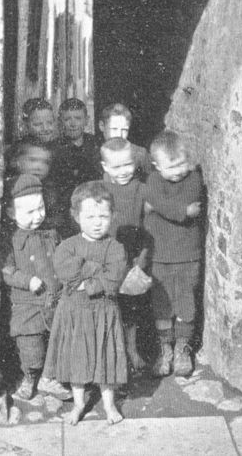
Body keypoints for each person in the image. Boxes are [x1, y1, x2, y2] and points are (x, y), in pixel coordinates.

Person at [42, 180, 127, 425]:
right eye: (90, 216)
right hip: (75, 313)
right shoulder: (67, 246)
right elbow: (65, 272)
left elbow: (112, 278)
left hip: (103, 312)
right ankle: (79, 403)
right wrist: (95, 270)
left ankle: (109, 403)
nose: (97, 222)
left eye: (103, 216)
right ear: (76, 217)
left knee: (105, 357)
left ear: (113, 216)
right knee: (77, 357)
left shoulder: (116, 248)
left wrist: (86, 279)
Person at [0, 172, 71, 401]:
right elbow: (7, 270)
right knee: (31, 347)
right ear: (12, 213)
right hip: (28, 305)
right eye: (29, 212)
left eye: (40, 208)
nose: (37, 216)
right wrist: (26, 280)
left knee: (55, 342)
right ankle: (30, 376)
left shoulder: (51, 233)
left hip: (53, 298)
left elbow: (61, 258)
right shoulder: (11, 240)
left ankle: (50, 379)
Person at [144, 130, 204, 378]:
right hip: (160, 256)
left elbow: (191, 204)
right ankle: (164, 349)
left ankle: (183, 348)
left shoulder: (192, 179)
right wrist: (179, 209)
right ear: (156, 166)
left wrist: (157, 207)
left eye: (182, 163)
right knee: (162, 305)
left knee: (185, 303)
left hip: (187, 254)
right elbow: (154, 199)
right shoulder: (153, 182)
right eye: (172, 166)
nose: (179, 170)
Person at [100, 137, 150, 371]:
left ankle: (132, 349)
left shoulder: (141, 189)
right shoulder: (101, 190)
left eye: (128, 165)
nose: (123, 171)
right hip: (107, 262)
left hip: (132, 259)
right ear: (105, 167)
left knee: (131, 309)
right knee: (108, 308)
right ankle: (112, 354)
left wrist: (140, 262)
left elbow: (149, 228)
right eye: (116, 167)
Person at [8, 136, 73, 238]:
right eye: (32, 160)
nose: (39, 167)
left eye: (45, 162)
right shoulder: (11, 188)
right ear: (15, 161)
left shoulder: (50, 191)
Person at [52, 98, 98, 221]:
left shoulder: (95, 144)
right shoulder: (54, 148)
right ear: (60, 122)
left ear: (87, 120)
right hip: (64, 209)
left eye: (78, 118)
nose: (73, 124)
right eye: (67, 119)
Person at [98, 102, 152, 180]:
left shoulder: (140, 154)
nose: (119, 135)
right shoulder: (94, 153)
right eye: (114, 129)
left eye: (124, 130)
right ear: (102, 126)